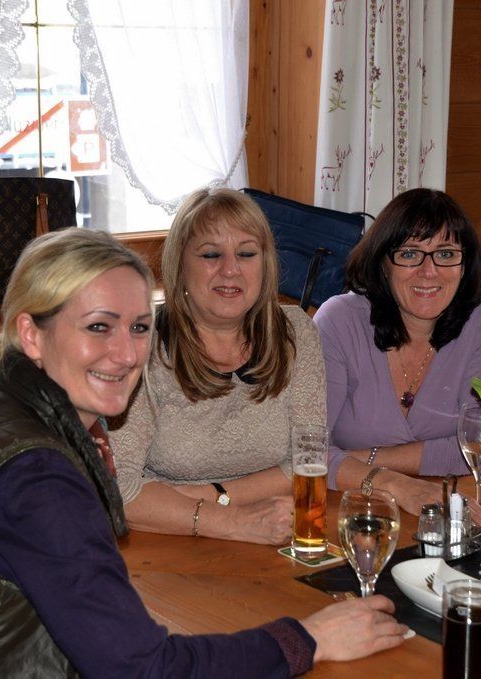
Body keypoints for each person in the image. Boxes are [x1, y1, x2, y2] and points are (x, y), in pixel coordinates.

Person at [0, 229, 410, 678]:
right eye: (98, 327)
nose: (127, 354)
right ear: (31, 335)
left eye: (138, 328)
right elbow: (144, 669)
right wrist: (308, 638)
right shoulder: (36, 476)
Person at [108, 187, 323, 544]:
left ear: (265, 264)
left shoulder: (296, 332)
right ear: (180, 265)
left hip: (271, 531)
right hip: (163, 543)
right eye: (211, 254)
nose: (231, 270)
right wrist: (233, 520)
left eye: (246, 254)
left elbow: (308, 462)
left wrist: (204, 496)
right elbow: (118, 489)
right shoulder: (142, 344)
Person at [313, 188, 481, 522]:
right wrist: (394, 483)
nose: (429, 271)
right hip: (348, 509)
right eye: (409, 253)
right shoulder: (339, 320)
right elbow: (308, 451)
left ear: (464, 265)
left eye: (445, 254)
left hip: (451, 506)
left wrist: (356, 459)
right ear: (383, 264)